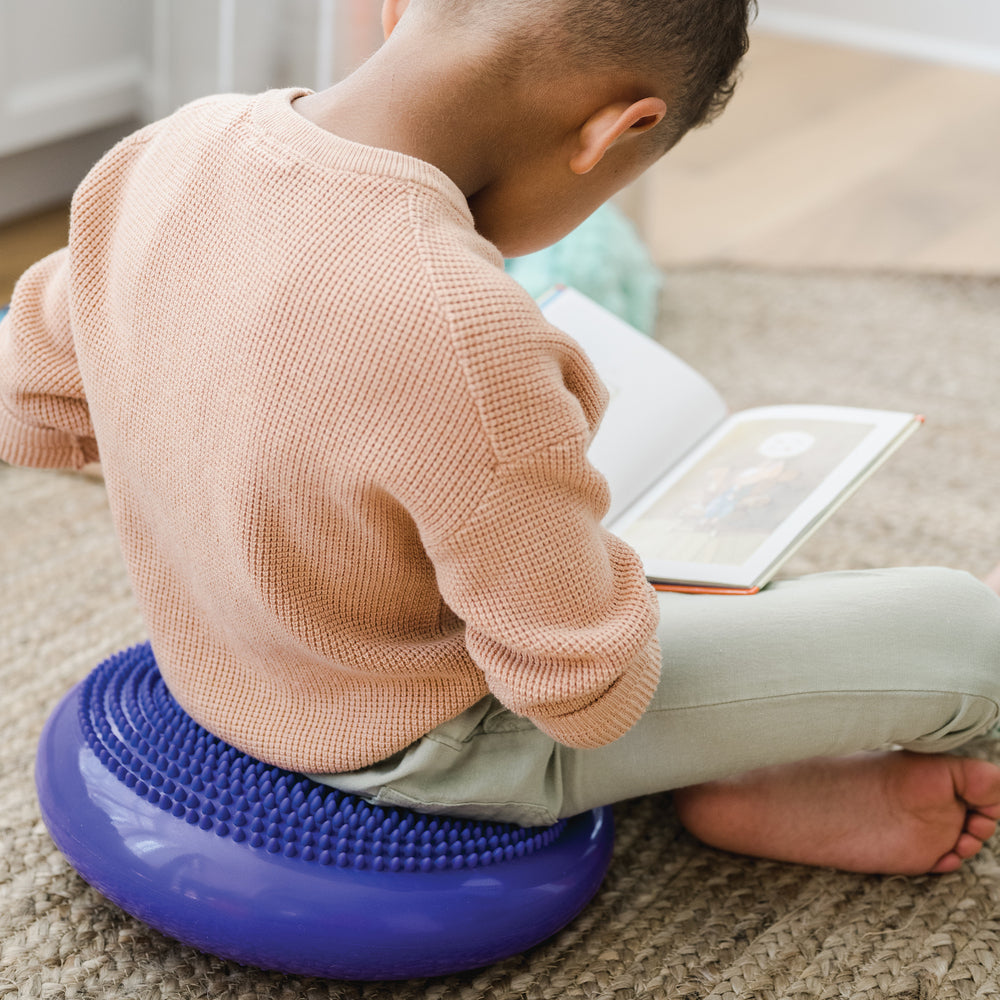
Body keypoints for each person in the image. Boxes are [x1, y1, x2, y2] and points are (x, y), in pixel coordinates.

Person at [2, 0, 1000, 878]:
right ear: (613, 131)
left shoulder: (164, 151)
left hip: (216, 665)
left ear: (399, 7)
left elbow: (34, 407)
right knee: (962, 632)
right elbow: (582, 693)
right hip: (428, 748)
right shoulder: (462, 325)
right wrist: (621, 579)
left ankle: (756, 770)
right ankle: (742, 763)